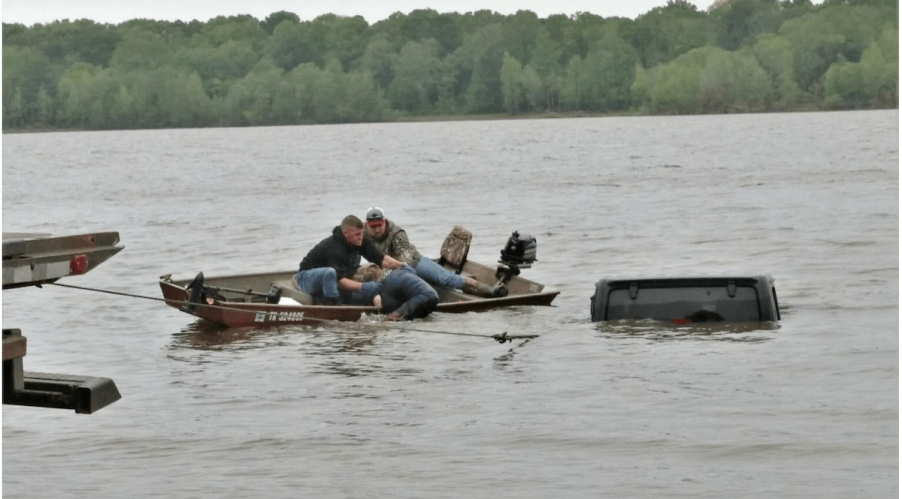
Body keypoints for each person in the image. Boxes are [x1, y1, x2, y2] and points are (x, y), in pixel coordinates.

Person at [362, 207, 507, 298]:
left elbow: (405, 260)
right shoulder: (362, 235)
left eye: (379, 225)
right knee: (438, 288)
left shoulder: (397, 234)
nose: (377, 229)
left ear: (384, 222)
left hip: (414, 263)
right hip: (390, 270)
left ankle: (489, 290)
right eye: (372, 227)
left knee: (446, 279)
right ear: (366, 225)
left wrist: (386, 274)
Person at [296, 215, 404, 305]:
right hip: (307, 278)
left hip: (342, 275)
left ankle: (376, 297)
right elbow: (340, 281)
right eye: (357, 234)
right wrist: (363, 286)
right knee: (330, 274)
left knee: (373, 269)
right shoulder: (334, 248)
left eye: (362, 233)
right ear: (346, 234)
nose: (361, 237)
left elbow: (381, 259)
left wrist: (402, 265)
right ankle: (332, 306)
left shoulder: (360, 239)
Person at [350, 263, 439, 321]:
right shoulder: (403, 271)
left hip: (425, 297)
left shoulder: (381, 288)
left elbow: (379, 303)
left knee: (386, 321)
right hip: (431, 296)